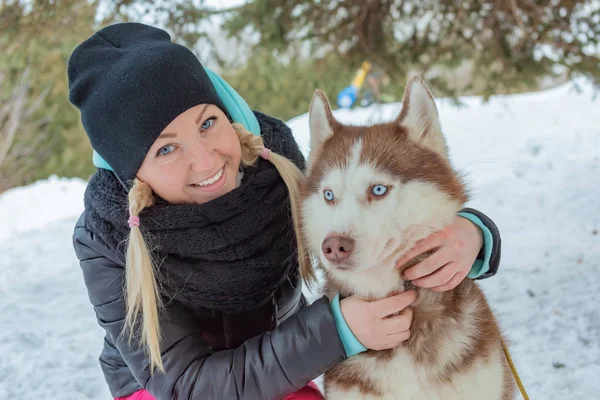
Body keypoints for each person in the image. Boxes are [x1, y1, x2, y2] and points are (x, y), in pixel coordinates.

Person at [68, 23, 502, 400]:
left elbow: (381, 223)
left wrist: (472, 232)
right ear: (132, 172)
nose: (206, 160)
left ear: (227, 112)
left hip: (278, 365)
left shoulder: (277, 171)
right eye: (166, 148)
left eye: (206, 123)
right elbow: (187, 385)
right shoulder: (109, 237)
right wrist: (337, 331)